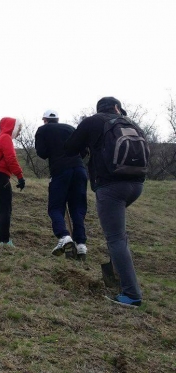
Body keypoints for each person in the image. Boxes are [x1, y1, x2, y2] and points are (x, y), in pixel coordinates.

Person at [64, 97, 146, 308]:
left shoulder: (92, 121)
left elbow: (70, 148)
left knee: (116, 238)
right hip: (136, 185)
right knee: (118, 235)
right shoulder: (131, 124)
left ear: (99, 108)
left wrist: (87, 148)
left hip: (111, 187)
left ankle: (131, 294)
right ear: (117, 108)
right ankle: (119, 273)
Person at [35, 110, 88, 259]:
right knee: (78, 208)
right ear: (58, 119)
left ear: (44, 119)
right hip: (79, 170)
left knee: (55, 208)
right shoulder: (70, 128)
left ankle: (64, 237)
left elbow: (42, 153)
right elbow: (84, 150)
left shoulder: (43, 130)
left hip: (60, 171)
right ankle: (81, 244)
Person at [0, 118, 25, 247]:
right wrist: (20, 176)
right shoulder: (6, 138)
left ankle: (1, 240)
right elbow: (11, 159)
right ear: (12, 127)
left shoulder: (0, 138)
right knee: (5, 209)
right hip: (1, 178)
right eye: (18, 129)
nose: (19, 133)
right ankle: (6, 241)